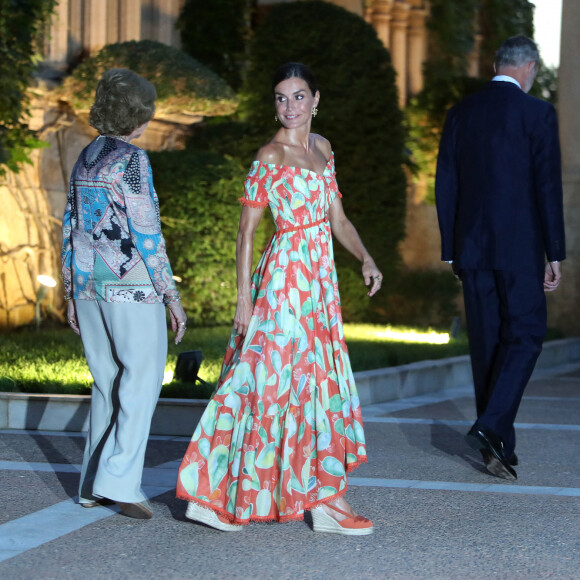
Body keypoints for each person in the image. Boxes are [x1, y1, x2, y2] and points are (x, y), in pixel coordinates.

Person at [176, 63, 382, 534]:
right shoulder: (269, 156)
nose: (288, 107)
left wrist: (366, 258)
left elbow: (338, 221)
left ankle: (325, 499)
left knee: (316, 383)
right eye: (280, 98)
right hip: (285, 279)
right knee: (260, 379)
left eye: (298, 96)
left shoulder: (324, 149)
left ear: (315, 100)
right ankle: (212, 493)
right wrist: (244, 299)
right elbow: (246, 233)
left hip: (320, 283)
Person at [435, 36, 565, 480]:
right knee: (527, 332)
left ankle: (497, 446)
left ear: (497, 64)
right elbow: (547, 187)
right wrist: (555, 253)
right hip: (521, 247)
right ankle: (491, 427)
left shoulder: (461, 112)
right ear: (528, 67)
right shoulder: (538, 113)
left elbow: (446, 182)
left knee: (487, 344)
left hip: (471, 248)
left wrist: (451, 249)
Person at [61, 68, 187, 519]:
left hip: (91, 285)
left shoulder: (86, 156)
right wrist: (170, 295)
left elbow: (71, 226)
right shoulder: (131, 160)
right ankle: (118, 481)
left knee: (107, 382)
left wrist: (72, 290)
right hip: (131, 285)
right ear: (139, 114)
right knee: (141, 381)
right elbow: (146, 231)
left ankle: (92, 484)